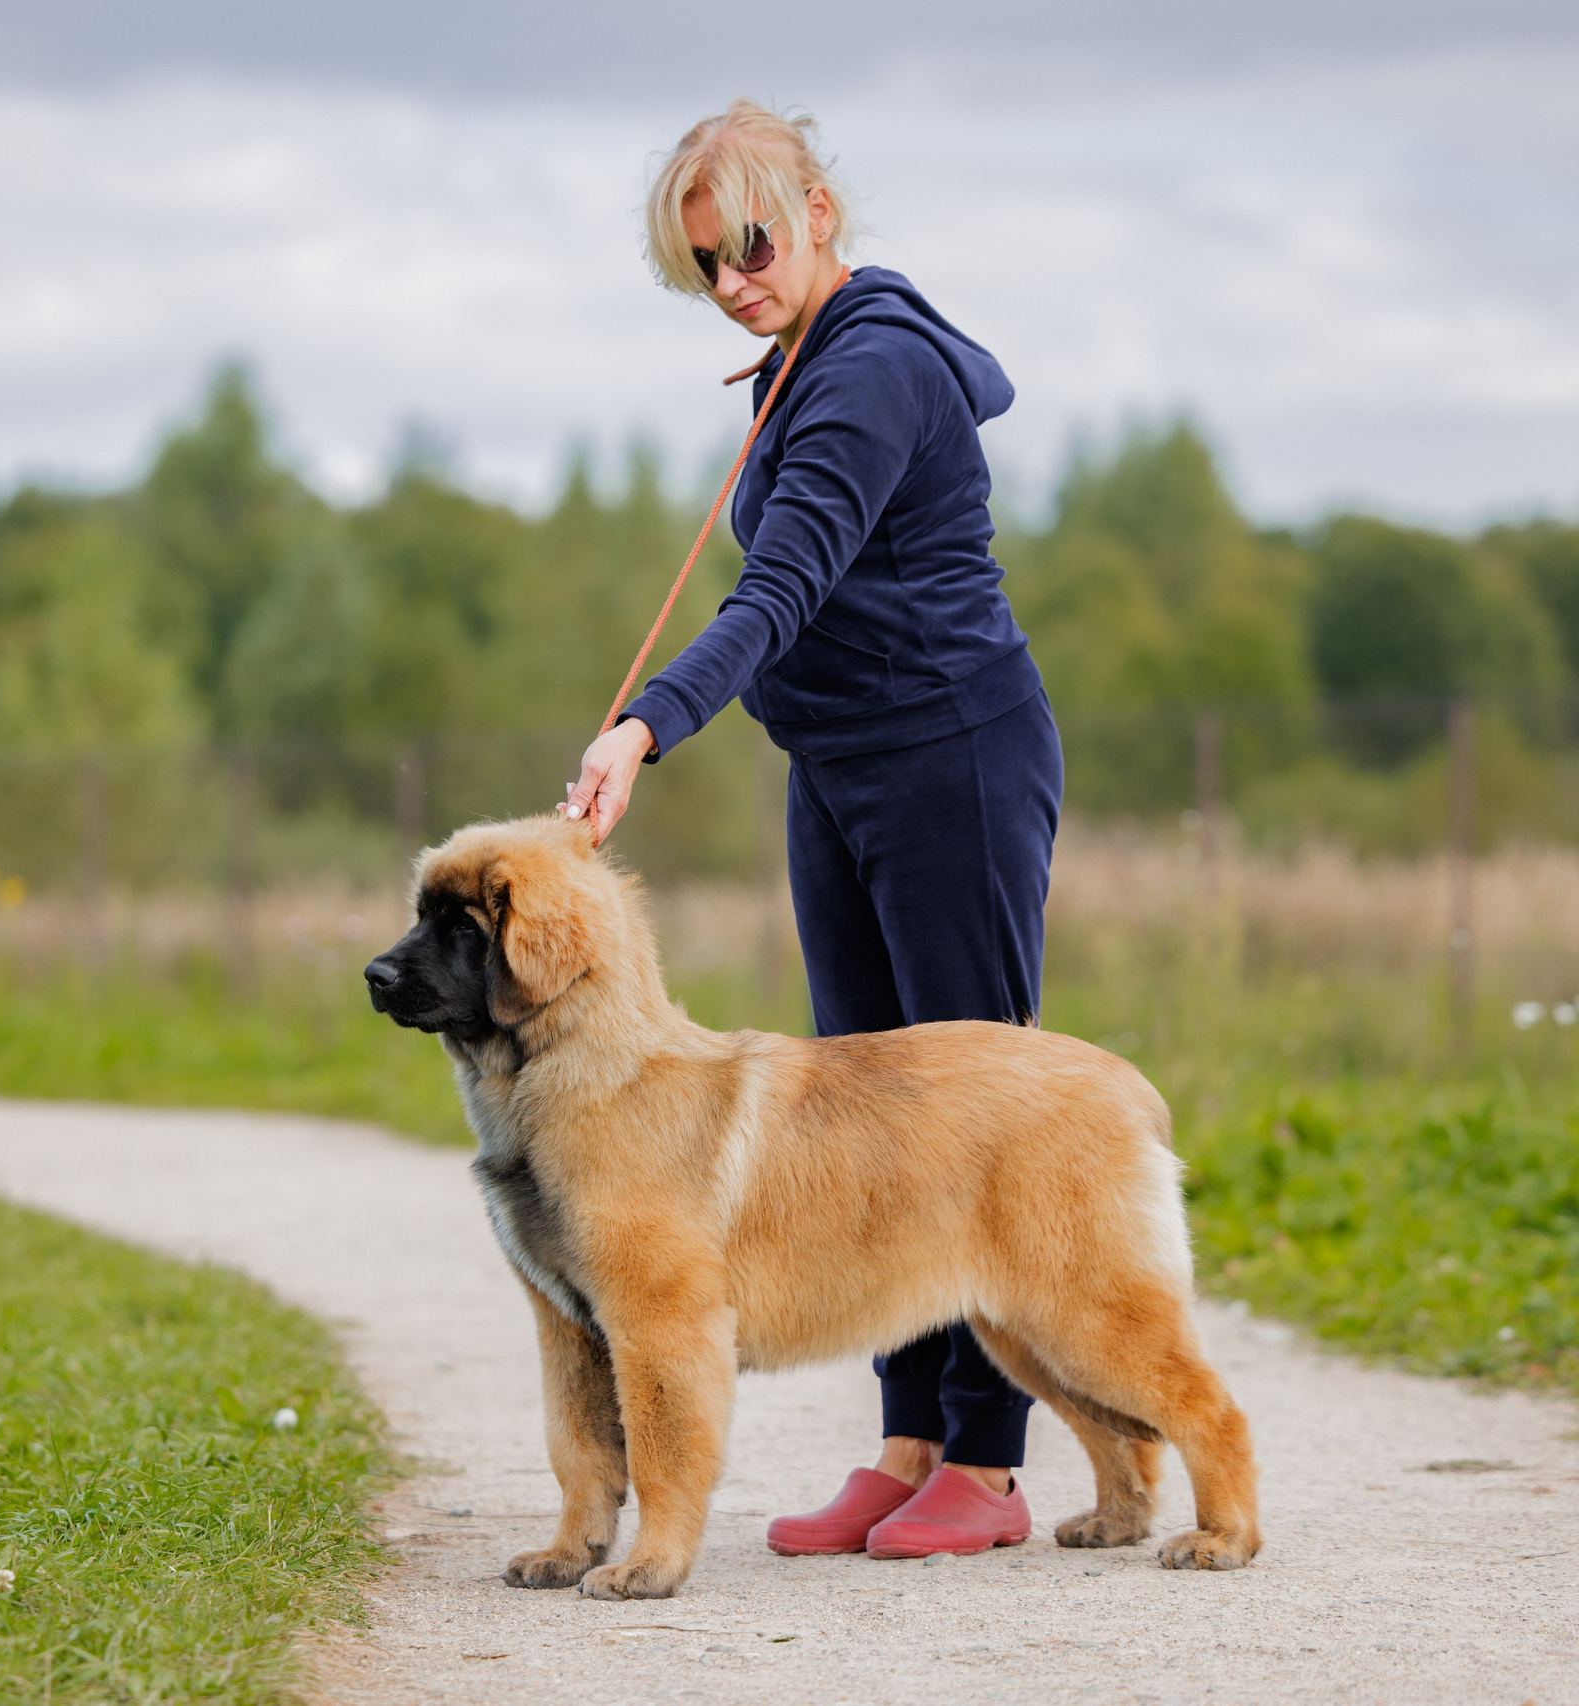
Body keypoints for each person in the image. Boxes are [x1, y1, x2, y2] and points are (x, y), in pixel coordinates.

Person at [562, 100, 1063, 1561]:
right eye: (707, 265)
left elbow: (773, 595)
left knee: (973, 1110)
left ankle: (991, 1458)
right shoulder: (788, 366)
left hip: (950, 758)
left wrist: (644, 723)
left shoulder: (876, 369)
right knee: (866, 1125)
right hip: (840, 766)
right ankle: (909, 1440)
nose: (734, 279)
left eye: (753, 244)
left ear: (821, 211)